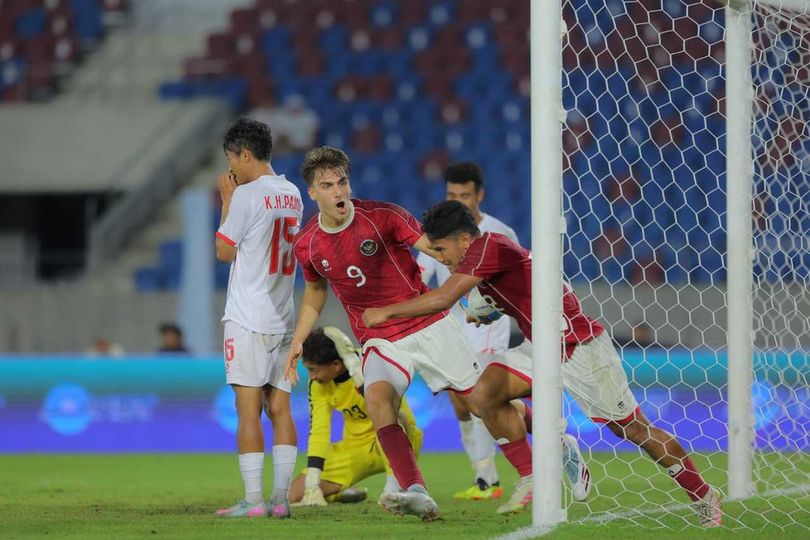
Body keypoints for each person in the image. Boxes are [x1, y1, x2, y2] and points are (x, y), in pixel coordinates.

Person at [362, 201, 723, 527]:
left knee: (633, 431)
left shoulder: (490, 246)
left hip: (580, 349)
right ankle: (533, 472)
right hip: (540, 349)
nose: (439, 257)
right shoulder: (484, 263)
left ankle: (702, 494)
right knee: (484, 393)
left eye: (441, 249)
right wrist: (486, 313)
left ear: (464, 240)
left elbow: (442, 299)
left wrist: (386, 311)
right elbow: (510, 296)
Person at [283, 145, 485, 522]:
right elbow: (315, 291)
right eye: (327, 185)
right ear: (312, 192)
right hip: (379, 337)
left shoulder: (383, 216)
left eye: (342, 182)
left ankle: (554, 440)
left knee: (482, 404)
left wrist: (468, 281)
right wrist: (298, 338)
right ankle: (416, 490)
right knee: (378, 402)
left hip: (427, 322)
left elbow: (434, 248)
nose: (339, 192)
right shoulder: (308, 244)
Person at [213, 117, 304, 519]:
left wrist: (227, 200)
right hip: (284, 317)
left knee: (248, 409)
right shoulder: (293, 193)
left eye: (232, 158)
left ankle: (253, 502)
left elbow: (224, 251)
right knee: (281, 409)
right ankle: (282, 500)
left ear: (244, 155)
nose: (231, 167)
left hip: (248, 317)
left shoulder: (248, 196)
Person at [415, 162, 518, 501]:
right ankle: (483, 474)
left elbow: (514, 281)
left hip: (489, 325)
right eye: (452, 195)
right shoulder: (441, 234)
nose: (459, 201)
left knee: (482, 399)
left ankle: (488, 480)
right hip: (454, 328)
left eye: (465, 195)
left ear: (479, 195)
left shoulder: (499, 232)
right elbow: (420, 279)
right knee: (462, 406)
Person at [289, 327, 423, 507]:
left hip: (398, 437)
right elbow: (319, 431)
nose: (312, 376)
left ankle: (394, 487)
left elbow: (394, 414)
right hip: (355, 448)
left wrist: (358, 377)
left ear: (336, 365)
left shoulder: (370, 363)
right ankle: (340, 494)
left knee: (388, 421)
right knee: (295, 494)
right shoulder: (318, 384)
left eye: (314, 370)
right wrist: (312, 484)